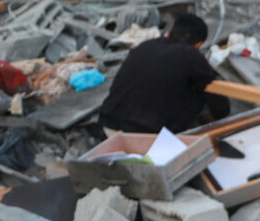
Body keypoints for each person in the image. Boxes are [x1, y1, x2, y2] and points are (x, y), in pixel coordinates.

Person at [98, 13, 231, 135]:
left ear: (169, 32)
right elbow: (215, 95)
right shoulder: (192, 55)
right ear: (198, 44)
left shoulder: (144, 47)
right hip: (147, 134)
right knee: (200, 91)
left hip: (109, 124)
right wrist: (219, 116)